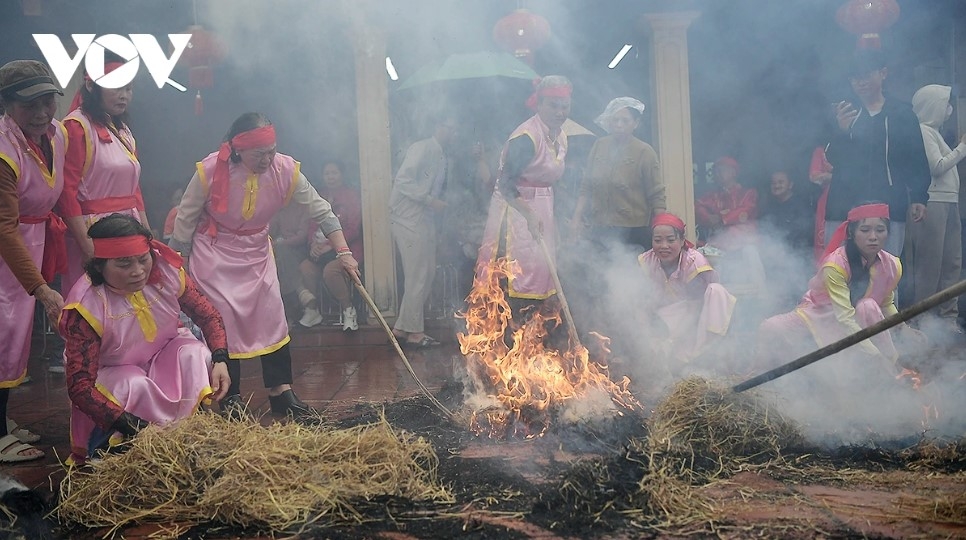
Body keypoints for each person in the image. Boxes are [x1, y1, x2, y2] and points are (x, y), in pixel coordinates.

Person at [170, 112, 360, 420]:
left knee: (273, 315)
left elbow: (322, 212)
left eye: (271, 151)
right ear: (238, 149)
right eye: (260, 154)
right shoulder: (209, 171)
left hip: (257, 249)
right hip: (214, 253)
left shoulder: (286, 170)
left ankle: (281, 391)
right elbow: (185, 220)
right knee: (223, 321)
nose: (267, 159)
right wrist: (182, 265)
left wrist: (344, 251)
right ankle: (230, 396)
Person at [59, 214, 231, 463]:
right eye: (123, 264)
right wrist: (137, 428)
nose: (138, 272)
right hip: (114, 373)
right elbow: (80, 387)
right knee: (133, 382)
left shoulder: (167, 273)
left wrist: (221, 359)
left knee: (195, 353)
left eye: (143, 259)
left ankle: (190, 425)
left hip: (163, 356)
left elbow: (208, 315)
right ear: (99, 266)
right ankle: (116, 447)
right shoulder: (87, 306)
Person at [756, 203, 918, 373]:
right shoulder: (835, 265)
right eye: (865, 230)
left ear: (888, 233)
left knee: (868, 306)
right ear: (851, 233)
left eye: (880, 230)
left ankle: (893, 370)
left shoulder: (892, 264)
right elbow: (845, 318)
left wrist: (903, 330)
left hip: (859, 319)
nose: (873, 237)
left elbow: (885, 304)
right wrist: (877, 358)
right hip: (822, 315)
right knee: (770, 328)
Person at [0, 60, 67, 463]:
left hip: (36, 240)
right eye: (30, 105)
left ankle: (4, 423)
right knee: (3, 335)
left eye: (47, 101)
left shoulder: (53, 135)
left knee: (17, 338)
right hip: (8, 250)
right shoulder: (4, 152)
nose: (42, 112)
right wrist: (41, 289)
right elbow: (4, 228)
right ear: (7, 105)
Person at [475, 76, 572, 318]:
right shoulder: (526, 137)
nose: (560, 112)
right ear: (538, 104)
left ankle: (534, 339)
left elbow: (550, 182)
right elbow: (506, 184)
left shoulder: (560, 136)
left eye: (565, 106)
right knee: (517, 276)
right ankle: (513, 340)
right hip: (516, 211)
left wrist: (553, 222)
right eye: (553, 105)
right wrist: (529, 214)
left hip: (542, 208)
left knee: (542, 272)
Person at [57, 53, 149, 293]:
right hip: (93, 230)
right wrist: (86, 244)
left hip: (129, 227)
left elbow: (134, 189)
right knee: (93, 303)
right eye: (116, 87)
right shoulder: (77, 126)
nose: (124, 95)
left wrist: (147, 234)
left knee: (131, 301)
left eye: (128, 89)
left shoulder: (124, 130)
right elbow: (67, 192)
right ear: (91, 86)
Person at [824, 49, 930, 257]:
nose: (860, 82)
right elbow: (832, 159)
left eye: (866, 75)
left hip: (889, 201)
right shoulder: (845, 113)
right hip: (846, 202)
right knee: (841, 267)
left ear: (883, 73)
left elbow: (916, 156)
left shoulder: (902, 113)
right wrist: (842, 132)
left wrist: (919, 196)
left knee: (887, 268)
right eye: (855, 78)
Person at [389, 114, 457, 347]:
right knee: (418, 275)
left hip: (423, 219)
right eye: (450, 128)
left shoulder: (441, 154)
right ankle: (415, 333)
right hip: (408, 218)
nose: (453, 133)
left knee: (426, 273)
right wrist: (429, 199)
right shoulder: (422, 148)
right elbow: (402, 181)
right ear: (439, 126)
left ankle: (401, 328)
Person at [637, 213, 736, 367]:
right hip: (666, 314)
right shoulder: (647, 260)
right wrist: (644, 337)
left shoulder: (693, 262)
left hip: (699, 315)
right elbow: (641, 301)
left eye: (670, 240)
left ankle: (702, 354)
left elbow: (693, 309)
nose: (664, 246)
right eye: (657, 240)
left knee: (715, 291)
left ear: (682, 241)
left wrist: (671, 341)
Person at [572, 97, 666, 251]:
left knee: (629, 271)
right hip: (599, 227)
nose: (619, 125)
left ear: (636, 123)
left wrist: (661, 229)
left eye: (625, 121)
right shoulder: (599, 145)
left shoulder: (644, 151)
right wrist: (576, 217)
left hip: (634, 230)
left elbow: (657, 195)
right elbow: (586, 186)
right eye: (615, 120)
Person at [909, 84, 966, 332]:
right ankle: (923, 320)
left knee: (952, 261)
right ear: (934, 106)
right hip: (935, 201)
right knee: (931, 264)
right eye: (945, 104)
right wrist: (963, 147)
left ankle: (947, 318)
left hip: (950, 200)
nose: (950, 109)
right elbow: (937, 166)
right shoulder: (924, 131)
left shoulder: (936, 132)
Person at [297, 160, 363, 331]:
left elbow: (354, 229)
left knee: (331, 271)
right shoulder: (318, 196)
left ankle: (349, 311)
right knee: (305, 268)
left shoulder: (351, 196)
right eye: (327, 173)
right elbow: (312, 224)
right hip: (321, 250)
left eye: (334, 173)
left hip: (347, 251)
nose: (331, 177)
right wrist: (313, 244)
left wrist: (331, 246)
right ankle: (313, 311)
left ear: (342, 175)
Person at [694, 156, 767, 295]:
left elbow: (746, 210)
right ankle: (714, 298)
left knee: (751, 255)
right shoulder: (714, 195)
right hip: (720, 246)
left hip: (744, 243)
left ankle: (762, 298)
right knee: (712, 263)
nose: (718, 174)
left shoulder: (747, 193)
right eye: (716, 171)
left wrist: (721, 218)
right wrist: (708, 218)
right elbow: (697, 206)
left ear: (733, 173)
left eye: (722, 170)